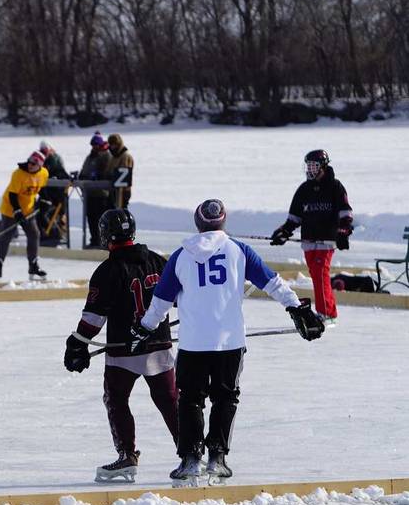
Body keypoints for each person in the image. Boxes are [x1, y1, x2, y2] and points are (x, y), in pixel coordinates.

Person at [132, 199, 324, 485]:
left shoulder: (181, 255)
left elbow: (160, 303)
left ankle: (190, 459)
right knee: (225, 397)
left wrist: (144, 328)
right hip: (230, 343)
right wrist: (297, 308)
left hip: (193, 343)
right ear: (223, 222)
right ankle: (217, 459)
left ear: (197, 224)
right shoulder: (238, 250)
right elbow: (272, 283)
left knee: (190, 399)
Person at [64, 209, 178, 482]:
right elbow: (177, 298)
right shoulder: (157, 261)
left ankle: (127, 455)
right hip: (159, 345)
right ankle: (191, 452)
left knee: (116, 400)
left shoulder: (107, 271)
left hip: (124, 351)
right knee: (170, 400)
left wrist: (78, 344)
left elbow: (94, 317)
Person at [270, 149, 353, 322]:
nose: (310, 169)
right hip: (309, 241)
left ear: (323, 166)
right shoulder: (304, 189)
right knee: (317, 275)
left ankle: (325, 313)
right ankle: (330, 312)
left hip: (326, 240)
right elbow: (295, 217)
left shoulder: (335, 187)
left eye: (314, 166)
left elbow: (345, 213)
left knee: (320, 272)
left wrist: (343, 232)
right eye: (308, 166)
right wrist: (284, 232)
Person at [0, 151, 50, 280]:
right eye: (29, 162)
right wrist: (17, 211)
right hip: (10, 208)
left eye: (34, 164)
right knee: (7, 235)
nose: (30, 165)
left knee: (34, 234)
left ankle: (33, 265)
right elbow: (13, 195)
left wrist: (45, 201)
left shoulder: (44, 173)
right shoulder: (18, 174)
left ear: (40, 165)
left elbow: (42, 188)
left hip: (28, 209)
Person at [79, 132, 113, 248]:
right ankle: (94, 240)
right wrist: (82, 177)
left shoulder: (106, 155)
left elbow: (107, 172)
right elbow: (84, 170)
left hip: (101, 194)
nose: (94, 147)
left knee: (100, 219)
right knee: (91, 218)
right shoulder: (90, 157)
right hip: (90, 193)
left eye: (96, 144)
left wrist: (98, 176)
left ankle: (102, 242)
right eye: (92, 145)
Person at [37, 141, 70, 244]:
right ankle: (44, 234)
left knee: (49, 214)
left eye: (45, 151)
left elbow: (64, 176)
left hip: (57, 196)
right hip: (45, 195)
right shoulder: (40, 161)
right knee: (39, 213)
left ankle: (55, 234)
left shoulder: (55, 161)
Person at [107, 134, 134, 209]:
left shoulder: (125, 156)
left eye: (114, 144)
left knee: (121, 214)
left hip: (123, 192)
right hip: (113, 191)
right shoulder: (113, 157)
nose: (112, 146)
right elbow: (108, 171)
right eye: (111, 144)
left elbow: (124, 174)